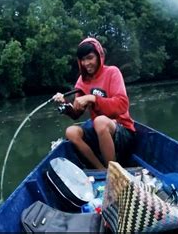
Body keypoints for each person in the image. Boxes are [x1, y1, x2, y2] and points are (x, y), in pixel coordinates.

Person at [52, 37, 135, 169]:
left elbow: (122, 105)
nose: (86, 63)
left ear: (99, 56)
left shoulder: (112, 72)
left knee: (100, 121)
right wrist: (66, 104)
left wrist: (93, 98)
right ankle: (102, 169)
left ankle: (114, 171)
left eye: (90, 58)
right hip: (99, 132)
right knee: (71, 132)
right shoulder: (82, 81)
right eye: (83, 60)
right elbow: (76, 113)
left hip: (122, 132)